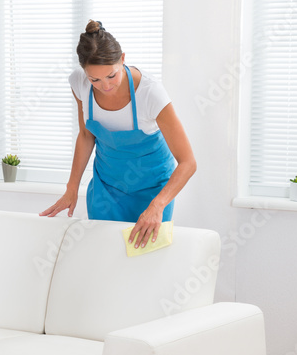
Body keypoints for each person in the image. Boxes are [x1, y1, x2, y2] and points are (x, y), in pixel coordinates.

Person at [42, 20, 196, 247]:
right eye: (95, 79)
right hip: (107, 188)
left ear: (123, 59)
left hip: (152, 191)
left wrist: (157, 205)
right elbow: (86, 136)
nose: (105, 86)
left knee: (145, 261)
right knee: (106, 256)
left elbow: (188, 162)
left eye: (111, 75)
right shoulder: (79, 83)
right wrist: (71, 188)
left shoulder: (150, 94)